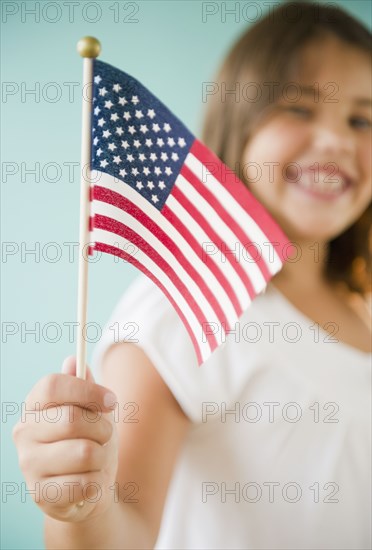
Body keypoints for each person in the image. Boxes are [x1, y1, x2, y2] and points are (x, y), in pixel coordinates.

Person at [13, 2, 371, 548]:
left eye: (363, 120)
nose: (338, 141)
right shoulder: (182, 306)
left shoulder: (359, 301)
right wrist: (80, 503)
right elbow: (119, 529)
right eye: (299, 107)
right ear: (239, 123)